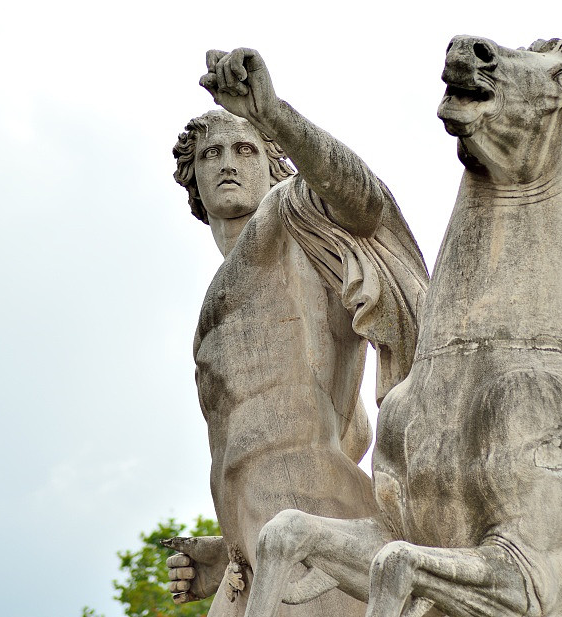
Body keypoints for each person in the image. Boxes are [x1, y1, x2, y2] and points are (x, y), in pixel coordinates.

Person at [163, 48, 428, 617]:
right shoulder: (219, 302)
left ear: (273, 165)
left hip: (313, 543)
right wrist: (225, 548)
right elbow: (348, 433)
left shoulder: (294, 216)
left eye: (245, 149)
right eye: (211, 154)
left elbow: (364, 202)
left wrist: (274, 115)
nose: (228, 162)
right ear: (193, 180)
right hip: (253, 559)